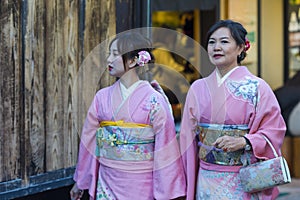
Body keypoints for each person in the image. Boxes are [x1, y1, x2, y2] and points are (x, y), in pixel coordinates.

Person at [69, 31, 186, 200]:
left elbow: (165, 147)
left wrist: (168, 191)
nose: (109, 59)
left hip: (142, 183)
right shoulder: (101, 97)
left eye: (115, 54)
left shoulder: (154, 99)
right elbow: (89, 139)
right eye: (109, 54)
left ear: (133, 60)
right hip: (107, 180)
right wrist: (80, 181)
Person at [179, 19, 286, 200]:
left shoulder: (257, 87)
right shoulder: (198, 88)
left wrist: (246, 141)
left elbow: (275, 130)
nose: (216, 47)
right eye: (212, 42)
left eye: (224, 41)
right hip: (206, 178)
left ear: (241, 48)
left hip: (241, 178)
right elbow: (186, 138)